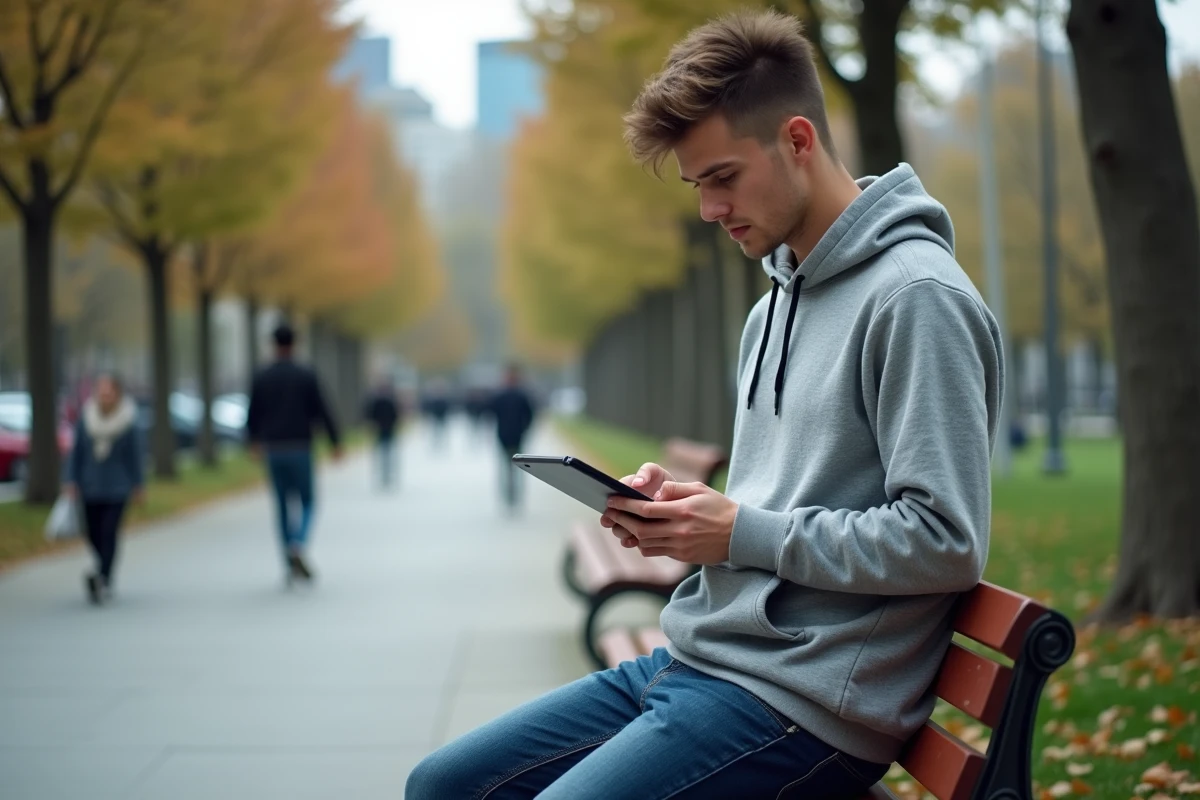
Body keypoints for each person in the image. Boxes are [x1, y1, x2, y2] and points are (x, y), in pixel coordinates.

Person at [407, 10, 1003, 800]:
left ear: (798, 140)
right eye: (697, 186)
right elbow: (775, 512)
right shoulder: (771, 308)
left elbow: (945, 540)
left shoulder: (915, 299)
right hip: (702, 660)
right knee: (443, 784)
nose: (708, 210)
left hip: (805, 702)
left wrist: (741, 532)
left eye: (722, 177)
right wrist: (690, 516)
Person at [246, 323, 342, 585]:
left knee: (281, 505)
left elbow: (253, 411)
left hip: (273, 448)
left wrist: (253, 440)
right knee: (308, 501)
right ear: (295, 344)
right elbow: (322, 408)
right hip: (300, 445)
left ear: (273, 344)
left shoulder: (262, 375)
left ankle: (288, 559)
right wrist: (335, 441)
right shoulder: (305, 374)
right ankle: (299, 543)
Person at [64, 373, 145, 606]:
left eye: (108, 392)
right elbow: (76, 452)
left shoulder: (129, 420)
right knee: (92, 532)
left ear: (117, 394)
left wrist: (138, 484)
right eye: (101, 392)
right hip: (90, 485)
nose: (104, 396)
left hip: (118, 487)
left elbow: (135, 456)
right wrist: (71, 480)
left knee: (109, 532)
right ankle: (103, 569)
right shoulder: (86, 418)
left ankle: (103, 577)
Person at [488, 365, 536, 511]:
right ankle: (512, 495)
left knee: (510, 466)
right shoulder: (519, 395)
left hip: (509, 435)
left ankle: (511, 495)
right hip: (513, 435)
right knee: (513, 466)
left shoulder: (504, 395)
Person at [363, 378, 402, 489]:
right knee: (382, 454)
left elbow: (395, 416)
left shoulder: (387, 401)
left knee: (387, 454)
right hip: (381, 431)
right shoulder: (377, 401)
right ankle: (383, 474)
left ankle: (387, 474)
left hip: (387, 430)